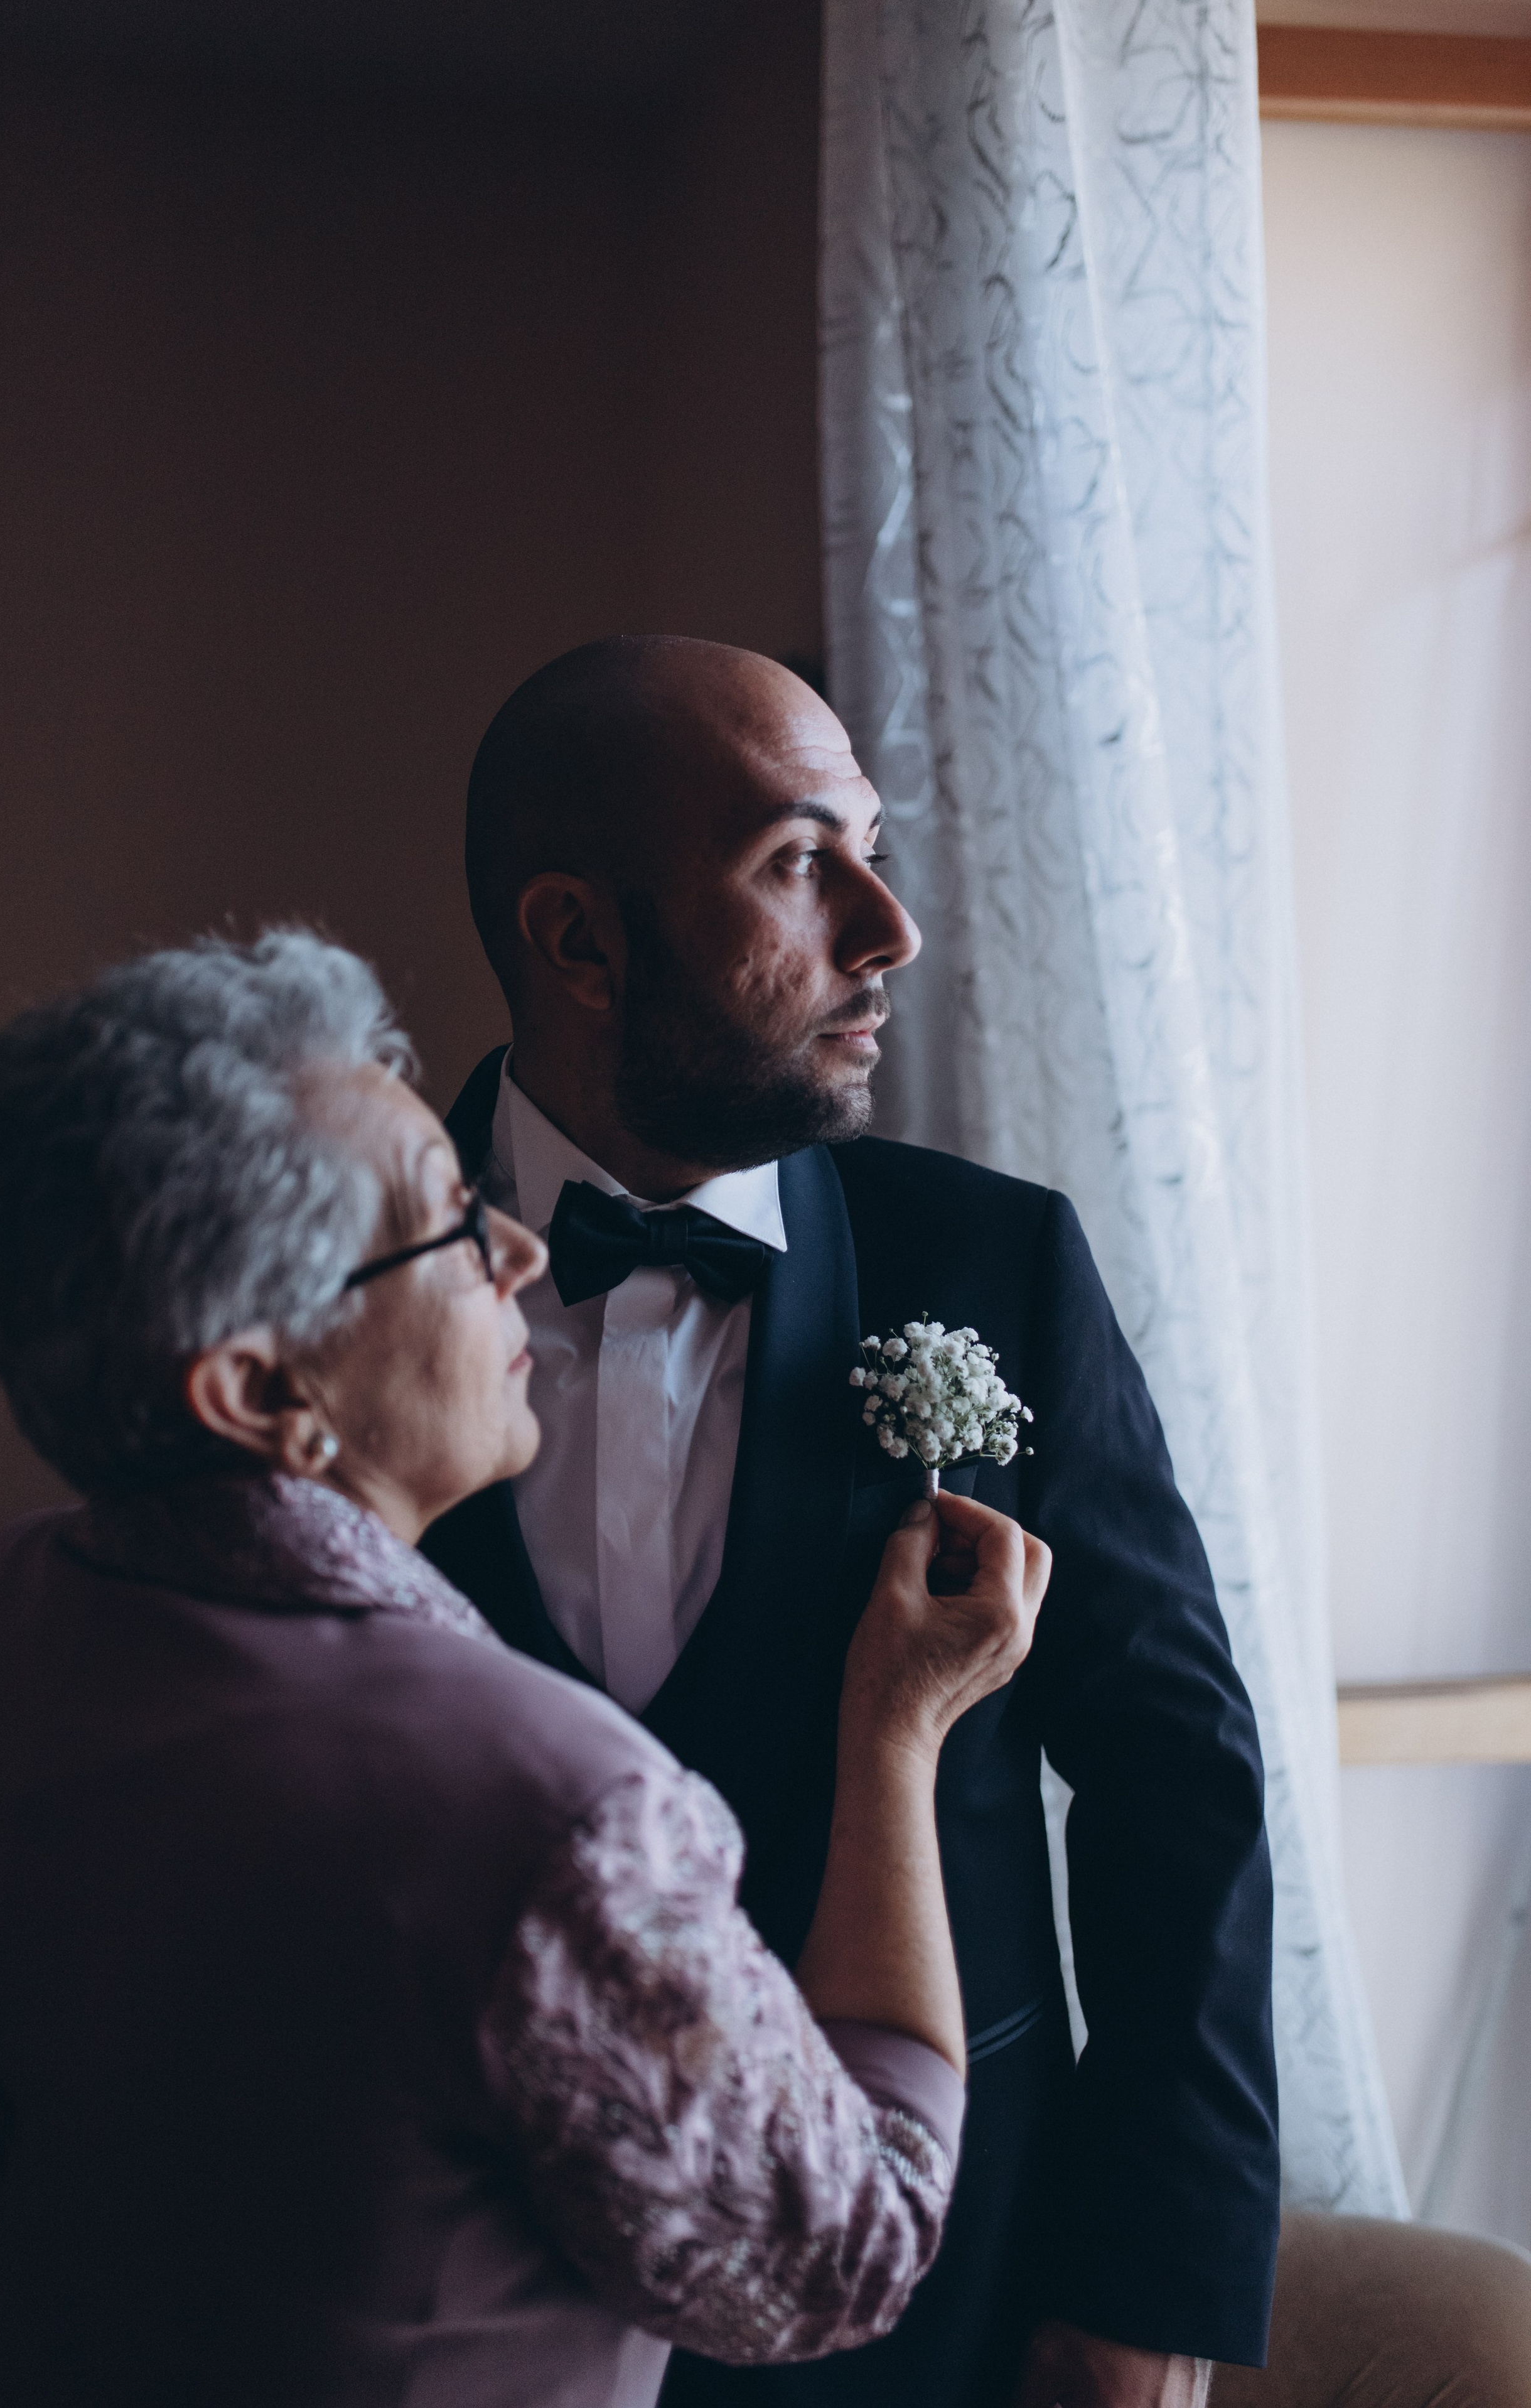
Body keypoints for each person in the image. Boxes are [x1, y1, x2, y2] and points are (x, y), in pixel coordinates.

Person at [425, 634, 1531, 2408]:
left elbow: (1178, 1776)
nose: (889, 925)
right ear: (578, 937)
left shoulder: (994, 1262)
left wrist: (1153, 2283)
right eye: (799, 863)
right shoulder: (336, 1284)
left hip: (942, 2299)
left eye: (873, 845)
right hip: (460, 2294)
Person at [0, 929, 1053, 2408]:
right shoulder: (549, 1806)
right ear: (261, 1388)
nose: (518, 1250)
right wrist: (895, 1732)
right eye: (451, 1222)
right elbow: (843, 2247)